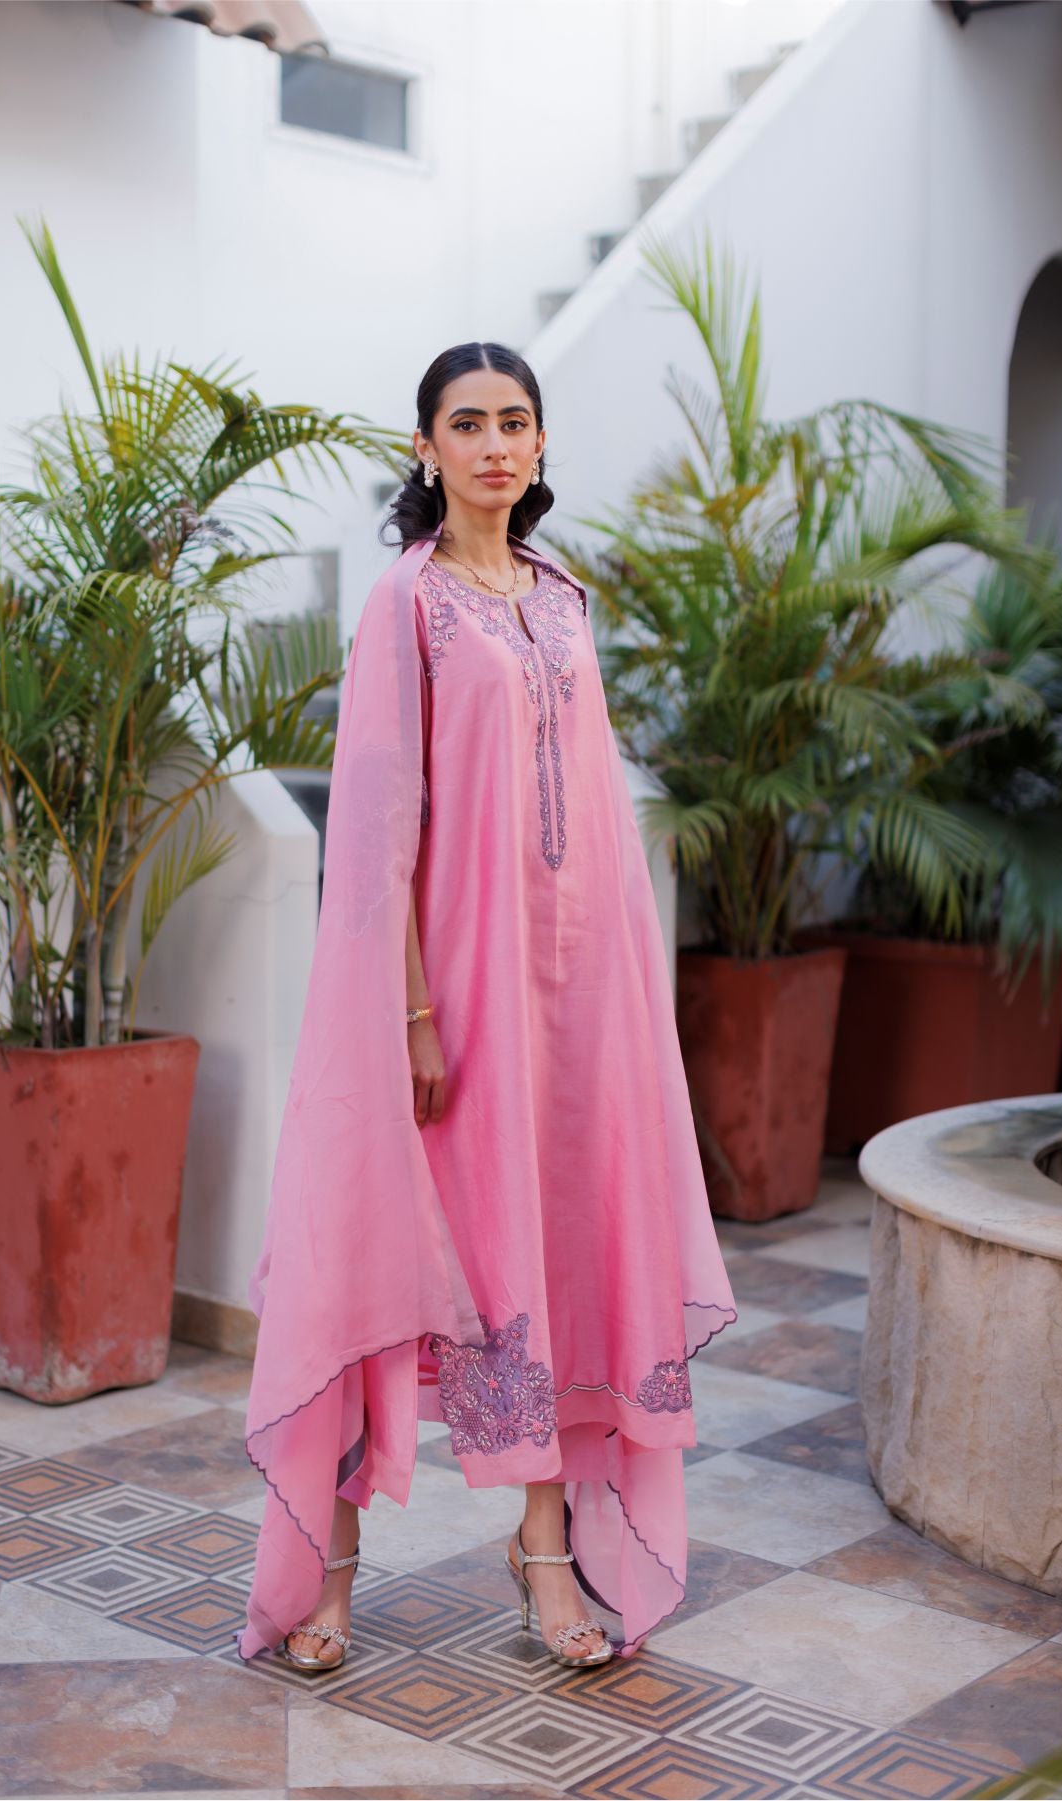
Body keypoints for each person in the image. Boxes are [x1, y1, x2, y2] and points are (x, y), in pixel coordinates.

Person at [236, 341, 737, 1676]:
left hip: (578, 1011)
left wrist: (630, 1013)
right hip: (449, 998)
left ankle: (543, 1557)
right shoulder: (404, 604)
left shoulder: (563, 604)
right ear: (425, 449)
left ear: (537, 443)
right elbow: (382, 822)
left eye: (516, 421)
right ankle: (327, 1569)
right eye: (468, 424)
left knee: (560, 1253)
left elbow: (602, 821)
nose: (495, 445)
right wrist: (407, 1009)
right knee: (378, 1251)